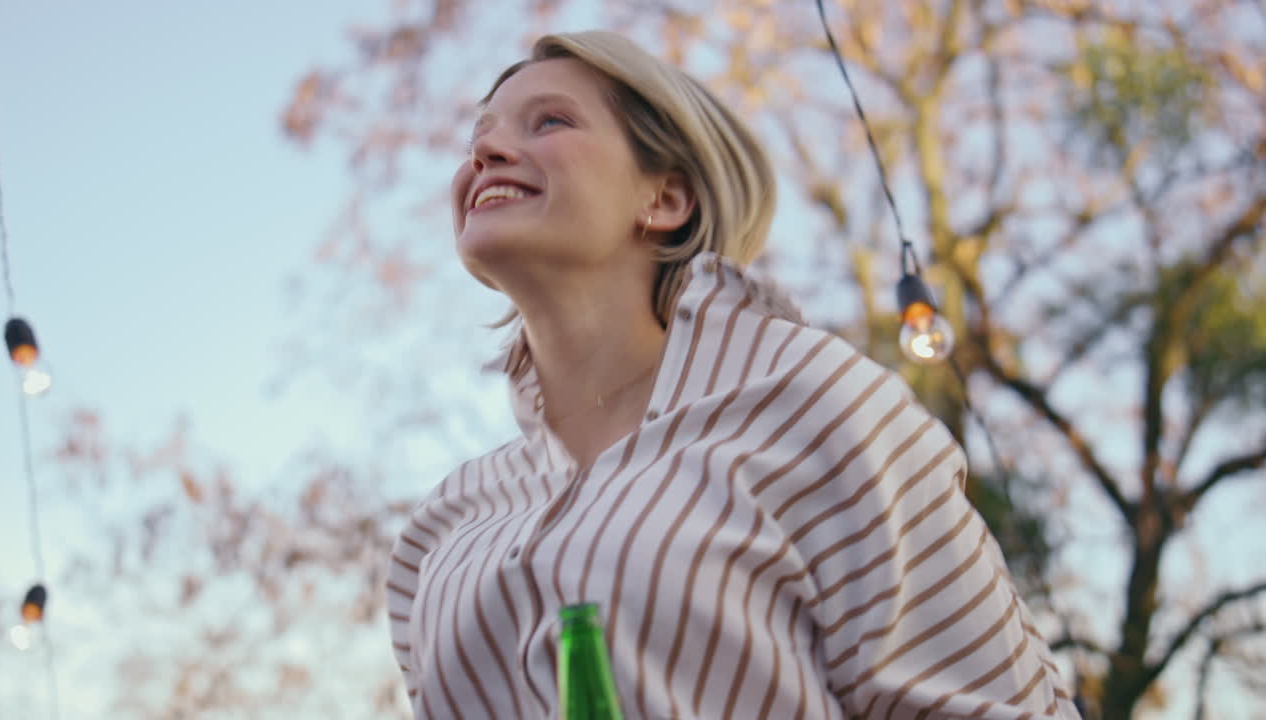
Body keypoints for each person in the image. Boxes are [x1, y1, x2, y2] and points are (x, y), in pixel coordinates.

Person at [386, 30, 1080, 720]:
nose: (485, 153)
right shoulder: (441, 528)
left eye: (550, 122)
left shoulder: (812, 406)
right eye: (480, 135)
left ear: (666, 199)